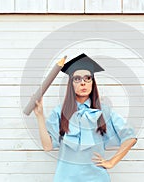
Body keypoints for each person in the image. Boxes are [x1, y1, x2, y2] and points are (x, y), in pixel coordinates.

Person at [34, 53, 137, 182]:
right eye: (77, 78)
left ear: (92, 83)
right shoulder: (60, 112)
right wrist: (39, 116)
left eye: (87, 78)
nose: (83, 83)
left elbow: (130, 137)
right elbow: (47, 146)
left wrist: (111, 162)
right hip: (66, 177)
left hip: (97, 177)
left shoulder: (103, 112)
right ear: (71, 84)